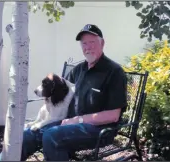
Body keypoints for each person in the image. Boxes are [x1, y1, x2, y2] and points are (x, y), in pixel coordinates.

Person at [21, 24, 127, 161]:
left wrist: (78, 120)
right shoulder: (78, 69)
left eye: (92, 42)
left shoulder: (114, 72)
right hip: (67, 123)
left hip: (99, 130)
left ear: (102, 43)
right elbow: (58, 92)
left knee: (51, 136)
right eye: (84, 43)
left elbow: (113, 116)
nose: (88, 47)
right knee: (26, 135)